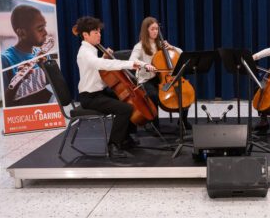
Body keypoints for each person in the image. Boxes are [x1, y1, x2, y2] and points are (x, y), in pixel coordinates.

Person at [75, 16, 144, 158]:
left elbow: (97, 67)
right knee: (125, 109)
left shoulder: (91, 50)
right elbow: (104, 65)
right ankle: (113, 145)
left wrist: (103, 58)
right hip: (90, 97)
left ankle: (125, 138)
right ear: (85, 35)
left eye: (99, 32)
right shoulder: (85, 53)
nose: (99, 35)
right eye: (95, 32)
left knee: (126, 100)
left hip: (99, 93)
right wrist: (130, 64)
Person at [129, 16, 192, 130]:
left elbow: (181, 53)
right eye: (152, 29)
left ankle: (183, 120)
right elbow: (132, 61)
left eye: (157, 29)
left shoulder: (161, 43)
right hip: (147, 79)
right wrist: (145, 65)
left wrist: (171, 47)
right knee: (153, 95)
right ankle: (154, 123)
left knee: (183, 90)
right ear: (146, 30)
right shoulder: (139, 46)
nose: (155, 31)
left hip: (162, 77)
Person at [1, 5, 54, 107]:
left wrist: (45, 68)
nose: (45, 32)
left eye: (44, 27)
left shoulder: (42, 54)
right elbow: (6, 102)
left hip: (46, 111)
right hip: (23, 114)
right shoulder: (6, 58)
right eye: (40, 29)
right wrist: (19, 80)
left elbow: (53, 87)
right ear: (22, 33)